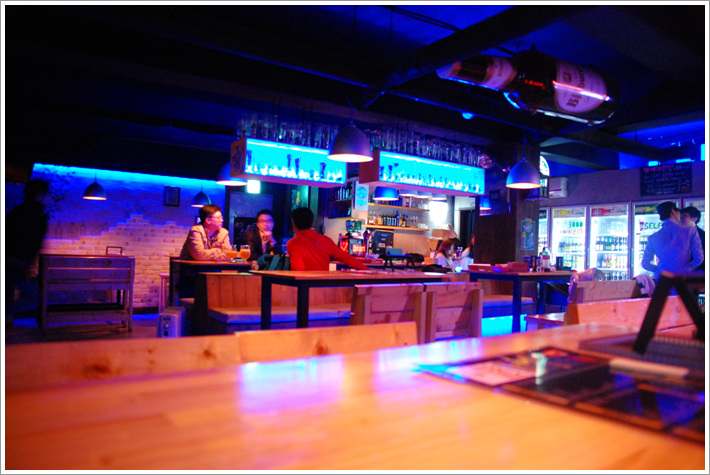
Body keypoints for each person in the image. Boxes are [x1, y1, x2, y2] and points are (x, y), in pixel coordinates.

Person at [5, 179, 51, 324]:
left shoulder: (16, 212)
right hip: (15, 265)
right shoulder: (38, 216)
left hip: (10, 264)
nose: (50, 198)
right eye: (48, 194)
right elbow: (30, 246)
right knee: (34, 298)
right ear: (40, 196)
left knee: (10, 299)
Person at [286, 207, 369, 271]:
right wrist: (367, 270)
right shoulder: (326, 241)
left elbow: (298, 268)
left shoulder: (293, 244)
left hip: (304, 286)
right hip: (324, 285)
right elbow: (346, 258)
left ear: (293, 224)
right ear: (312, 223)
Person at [641, 201, 703, 282]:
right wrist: (688, 268)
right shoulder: (690, 231)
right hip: (683, 277)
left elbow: (645, 263)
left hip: (662, 278)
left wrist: (659, 269)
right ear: (673, 211)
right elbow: (699, 258)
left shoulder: (653, 237)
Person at [681, 206, 705, 272]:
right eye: (680, 216)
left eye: (684, 216)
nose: (681, 219)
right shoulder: (678, 233)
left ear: (694, 219)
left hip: (697, 272)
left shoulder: (702, 235)